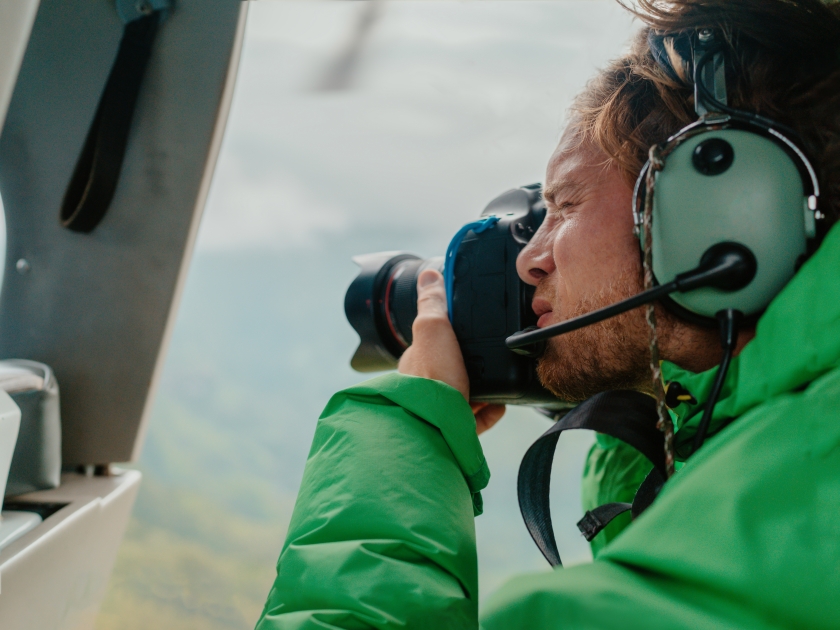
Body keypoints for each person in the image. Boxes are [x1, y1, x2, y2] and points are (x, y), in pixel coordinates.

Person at [256, 1, 840, 628]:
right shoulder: (777, 448)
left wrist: (412, 428)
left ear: (719, 211)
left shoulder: (804, 493)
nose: (529, 261)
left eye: (564, 205)